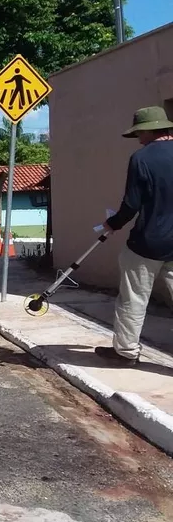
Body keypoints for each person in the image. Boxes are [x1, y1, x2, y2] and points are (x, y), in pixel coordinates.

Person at [95, 106, 173, 365]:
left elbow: (132, 203)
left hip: (147, 243)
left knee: (133, 298)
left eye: (140, 132)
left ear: (150, 130)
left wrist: (112, 223)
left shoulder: (142, 159)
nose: (139, 138)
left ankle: (126, 352)